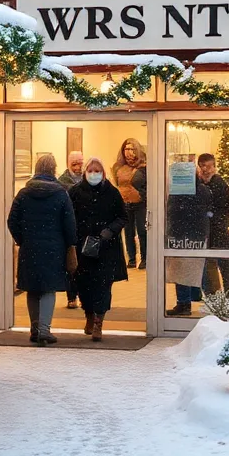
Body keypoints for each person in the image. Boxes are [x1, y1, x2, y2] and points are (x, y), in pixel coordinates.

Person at [8, 154, 77, 345]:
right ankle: (45, 330)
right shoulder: (60, 193)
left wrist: (22, 239)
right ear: (53, 170)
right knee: (48, 288)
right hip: (54, 247)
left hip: (30, 247)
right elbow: (69, 223)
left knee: (32, 288)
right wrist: (70, 244)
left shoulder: (24, 193)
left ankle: (34, 328)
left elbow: (12, 220)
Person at [69, 158, 128, 341]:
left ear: (103, 173)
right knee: (84, 285)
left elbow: (122, 216)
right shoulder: (75, 192)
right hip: (83, 247)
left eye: (98, 170)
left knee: (103, 286)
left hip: (106, 248)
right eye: (91, 170)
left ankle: (98, 322)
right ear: (85, 172)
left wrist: (110, 230)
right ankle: (88, 315)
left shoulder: (112, 193)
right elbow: (69, 216)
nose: (94, 174)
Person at [166, 167, 213, 317]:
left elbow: (172, 213)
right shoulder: (204, 190)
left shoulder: (176, 193)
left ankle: (184, 302)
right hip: (198, 235)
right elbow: (209, 212)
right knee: (197, 267)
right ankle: (209, 300)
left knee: (182, 269)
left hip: (182, 235)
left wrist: (171, 233)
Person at [198, 153, 229, 295]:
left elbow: (222, 208)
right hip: (208, 230)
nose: (205, 169)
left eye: (208, 166)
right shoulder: (201, 184)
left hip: (219, 230)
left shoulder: (219, 184)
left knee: (224, 265)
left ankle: (228, 295)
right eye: (202, 166)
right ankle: (214, 297)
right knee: (210, 265)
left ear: (214, 166)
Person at [113, 138, 148, 269]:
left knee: (142, 231)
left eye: (132, 149)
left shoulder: (143, 168)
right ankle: (131, 258)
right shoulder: (119, 168)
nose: (128, 152)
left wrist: (142, 195)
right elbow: (117, 184)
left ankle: (145, 258)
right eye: (126, 149)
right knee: (128, 232)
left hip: (140, 203)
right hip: (125, 203)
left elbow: (147, 185)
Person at [58, 152, 84, 308]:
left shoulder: (88, 179)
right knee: (71, 264)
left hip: (84, 226)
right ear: (68, 164)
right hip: (69, 226)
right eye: (74, 163)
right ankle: (71, 296)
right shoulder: (62, 182)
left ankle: (83, 295)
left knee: (84, 264)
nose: (78, 166)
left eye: (80, 163)